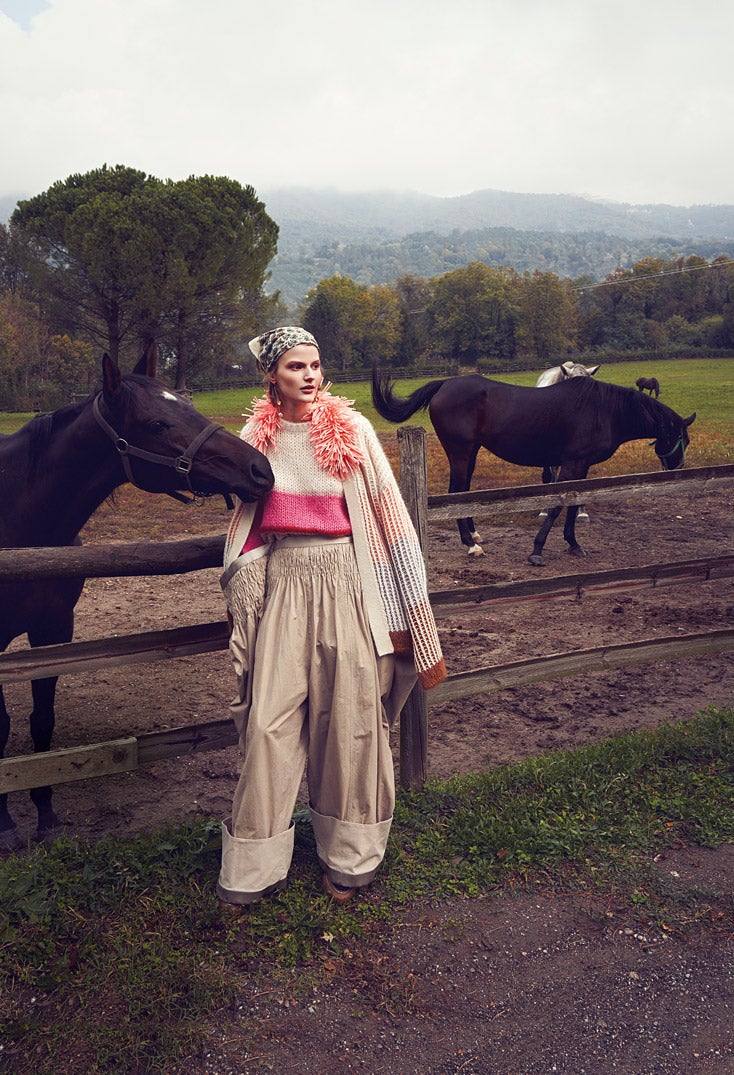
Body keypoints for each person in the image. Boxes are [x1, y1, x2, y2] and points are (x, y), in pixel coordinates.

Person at [217, 326, 446, 907]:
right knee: (268, 724)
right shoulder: (254, 439)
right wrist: (248, 584)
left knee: (351, 723)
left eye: (315, 365)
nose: (310, 376)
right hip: (285, 584)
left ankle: (349, 860)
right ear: (271, 375)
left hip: (349, 582)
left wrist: (411, 608)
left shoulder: (353, 430)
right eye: (296, 367)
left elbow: (391, 517)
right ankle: (253, 867)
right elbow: (245, 523)